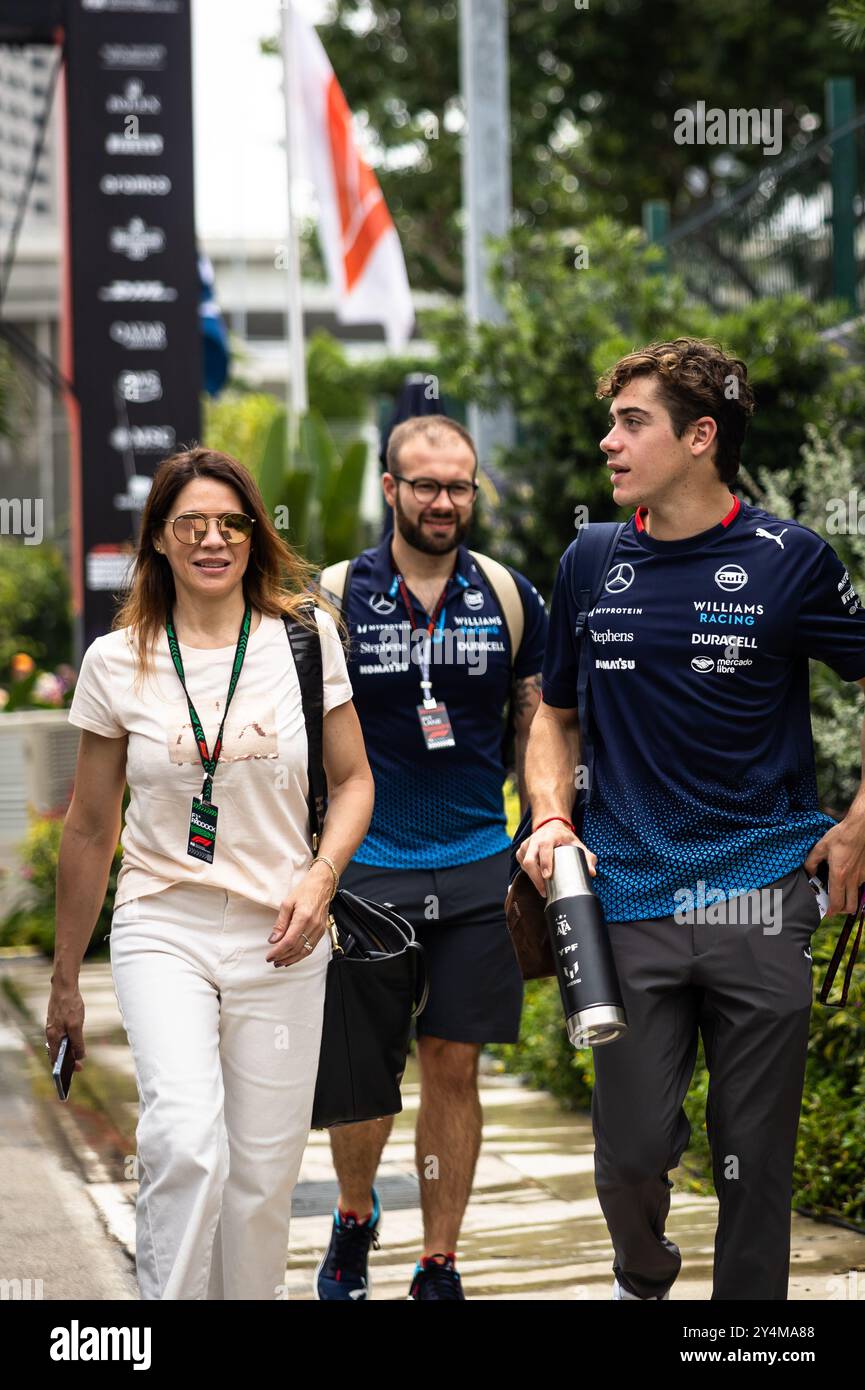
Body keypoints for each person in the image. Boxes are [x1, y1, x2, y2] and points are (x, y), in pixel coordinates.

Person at [518, 338, 865, 1302]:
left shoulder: (790, 560)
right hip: (624, 894)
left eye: (632, 423)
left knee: (752, 1159)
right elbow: (553, 713)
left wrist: (858, 823)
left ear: (700, 437)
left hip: (759, 890)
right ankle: (643, 1271)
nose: (608, 441)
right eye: (612, 420)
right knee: (629, 1156)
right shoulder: (591, 561)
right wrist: (547, 815)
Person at [46, 446, 374, 1300]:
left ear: (254, 534)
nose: (213, 539)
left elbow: (353, 783)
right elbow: (88, 828)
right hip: (164, 925)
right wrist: (66, 982)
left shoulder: (304, 640)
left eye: (231, 522)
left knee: (262, 1186)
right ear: (158, 539)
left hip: (285, 937)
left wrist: (322, 876)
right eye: (190, 522)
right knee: (188, 1143)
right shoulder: (119, 661)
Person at [313, 415, 548, 1300]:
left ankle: (438, 1261)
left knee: (453, 1061)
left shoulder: (506, 594)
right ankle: (351, 1217)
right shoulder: (333, 598)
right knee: (366, 1072)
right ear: (390, 490)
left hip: (478, 861)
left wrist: (537, 823)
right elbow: (303, 735)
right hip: (368, 865)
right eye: (425, 485)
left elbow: (536, 718)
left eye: (458, 486)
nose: (443, 502)